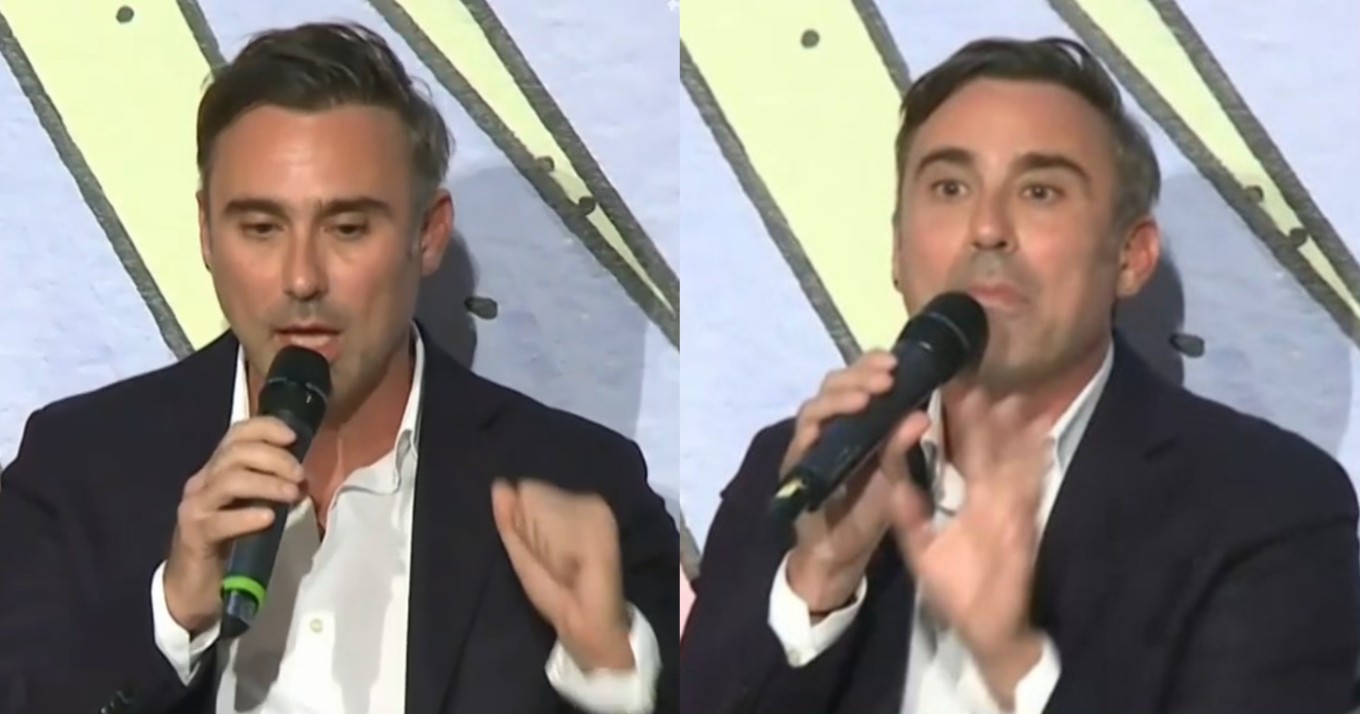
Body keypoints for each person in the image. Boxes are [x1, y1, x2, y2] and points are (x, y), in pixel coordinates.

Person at [0, 22, 677, 714]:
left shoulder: (583, 484)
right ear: (206, 233)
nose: (301, 278)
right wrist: (170, 617)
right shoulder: (77, 471)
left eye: (348, 228)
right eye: (261, 228)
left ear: (428, 234)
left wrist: (607, 669)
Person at [679, 36, 1360, 714]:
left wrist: (1015, 666)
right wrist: (818, 582)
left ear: (1131, 257)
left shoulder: (1266, 506)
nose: (987, 228)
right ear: (897, 250)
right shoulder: (804, 469)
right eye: (950, 188)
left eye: (1040, 192)